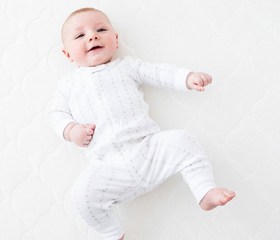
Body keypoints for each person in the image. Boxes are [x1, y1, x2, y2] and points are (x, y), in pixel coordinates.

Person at [49, 7, 235, 240]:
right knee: (81, 197)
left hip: (148, 149)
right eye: (80, 36)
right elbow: (57, 114)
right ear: (68, 55)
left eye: (100, 29)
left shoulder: (126, 66)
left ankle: (204, 190)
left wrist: (187, 78)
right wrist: (71, 130)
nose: (92, 36)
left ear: (115, 41)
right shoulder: (68, 85)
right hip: (108, 165)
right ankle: (112, 233)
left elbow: (158, 73)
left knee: (183, 140)